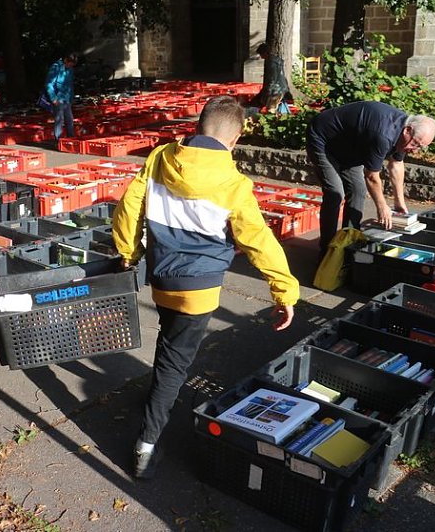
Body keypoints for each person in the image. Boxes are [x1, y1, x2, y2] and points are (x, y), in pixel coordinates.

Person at [112, 95, 299, 480]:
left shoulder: (161, 157)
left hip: (161, 277)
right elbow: (257, 240)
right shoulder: (234, 183)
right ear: (235, 139)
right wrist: (285, 292)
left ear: (199, 126)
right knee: (175, 361)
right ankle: (146, 443)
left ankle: (155, 398)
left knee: (169, 346)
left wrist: (128, 251)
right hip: (199, 289)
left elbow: (130, 205)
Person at [305, 101, 435, 256]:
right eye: (415, 144)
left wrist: (399, 203)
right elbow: (372, 177)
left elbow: (396, 166)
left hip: (351, 146)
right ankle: (327, 250)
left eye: (420, 147)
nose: (415, 150)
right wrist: (382, 207)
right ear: (407, 130)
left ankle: (348, 243)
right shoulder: (383, 135)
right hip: (323, 139)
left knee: (358, 191)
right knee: (335, 194)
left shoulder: (404, 136)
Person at [250, 43, 291, 112]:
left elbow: (273, 79)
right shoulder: (275, 60)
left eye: (261, 54)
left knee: (271, 108)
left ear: (265, 53)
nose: (261, 57)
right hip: (281, 87)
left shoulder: (271, 62)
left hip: (276, 89)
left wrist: (268, 92)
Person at [45, 53, 77, 139]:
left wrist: (71, 98)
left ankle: (71, 138)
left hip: (66, 98)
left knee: (69, 120)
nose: (71, 66)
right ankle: (58, 140)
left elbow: (70, 85)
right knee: (59, 120)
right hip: (58, 98)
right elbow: (49, 84)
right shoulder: (55, 67)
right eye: (70, 64)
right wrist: (53, 98)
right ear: (66, 60)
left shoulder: (70, 69)